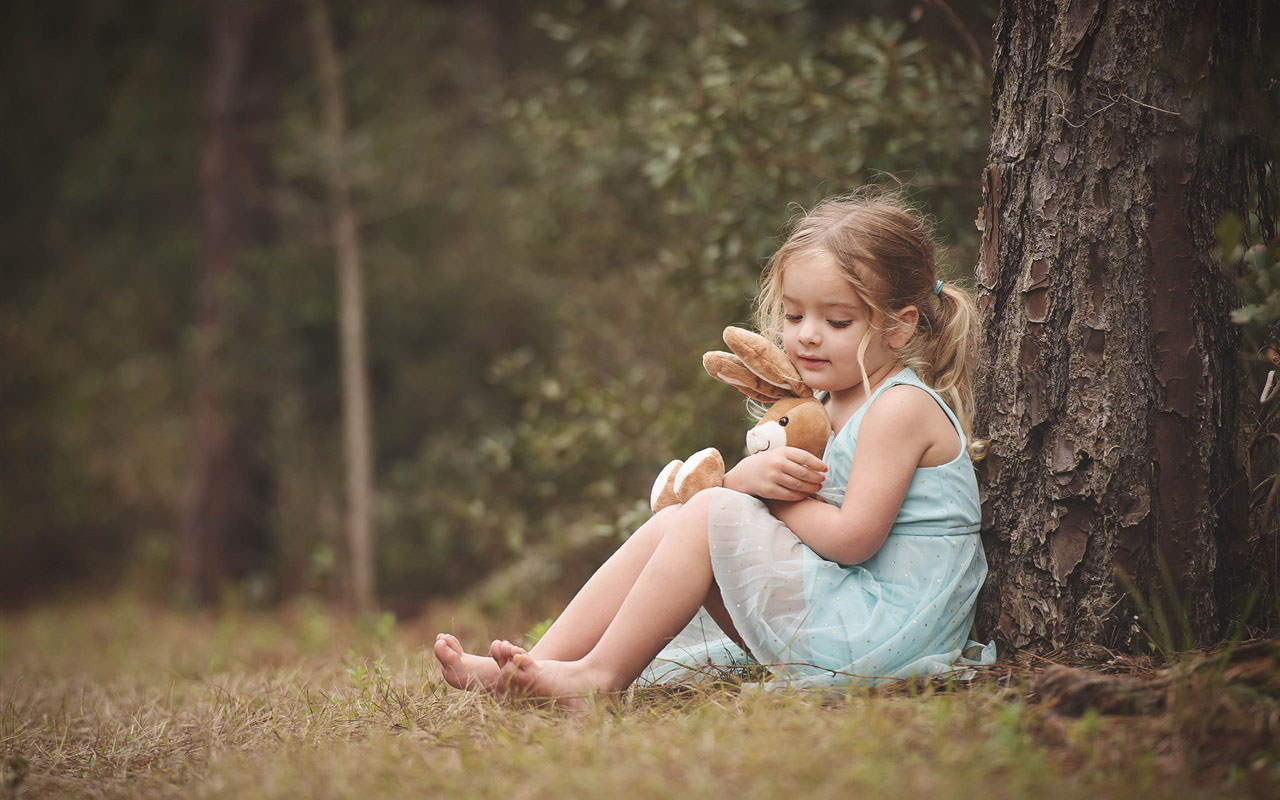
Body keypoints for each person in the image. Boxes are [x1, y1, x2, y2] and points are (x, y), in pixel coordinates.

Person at [434, 193, 993, 705]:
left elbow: (851, 540)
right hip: (846, 611)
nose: (806, 336)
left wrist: (758, 491)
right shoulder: (826, 398)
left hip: (884, 630)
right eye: (795, 316)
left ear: (899, 327)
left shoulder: (898, 407)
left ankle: (596, 680)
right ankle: (541, 664)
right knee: (682, 517)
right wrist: (747, 490)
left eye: (838, 320)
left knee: (708, 510)